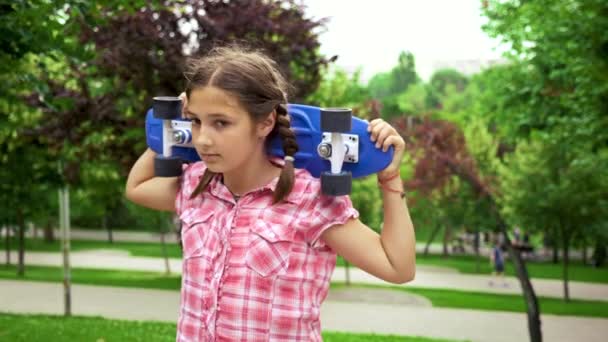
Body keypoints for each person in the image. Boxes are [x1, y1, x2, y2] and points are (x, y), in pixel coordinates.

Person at [125, 45, 416, 341]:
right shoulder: (197, 185)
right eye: (196, 121)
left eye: (221, 122)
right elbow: (137, 187)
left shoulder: (309, 197)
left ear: (265, 123)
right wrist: (168, 126)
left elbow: (397, 267)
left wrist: (390, 178)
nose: (203, 139)